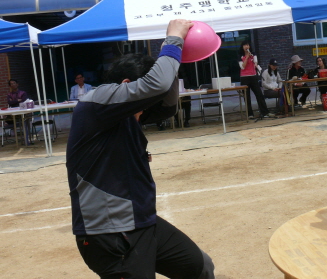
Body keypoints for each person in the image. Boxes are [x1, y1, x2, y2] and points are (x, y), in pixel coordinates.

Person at [66, 19, 215, 279]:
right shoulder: (95, 104)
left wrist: (172, 58)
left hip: (142, 222)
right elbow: (156, 86)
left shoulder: (128, 115)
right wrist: (173, 40)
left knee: (199, 266)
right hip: (110, 233)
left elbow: (168, 103)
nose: (149, 106)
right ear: (126, 85)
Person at [238, 40, 273, 119]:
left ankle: (264, 112)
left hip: (253, 76)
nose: (246, 47)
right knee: (246, 96)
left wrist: (252, 59)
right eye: (245, 45)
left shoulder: (253, 54)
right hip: (244, 77)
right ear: (242, 47)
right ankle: (250, 114)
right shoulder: (240, 55)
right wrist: (246, 57)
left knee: (259, 94)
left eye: (247, 45)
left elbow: (255, 63)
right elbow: (242, 67)